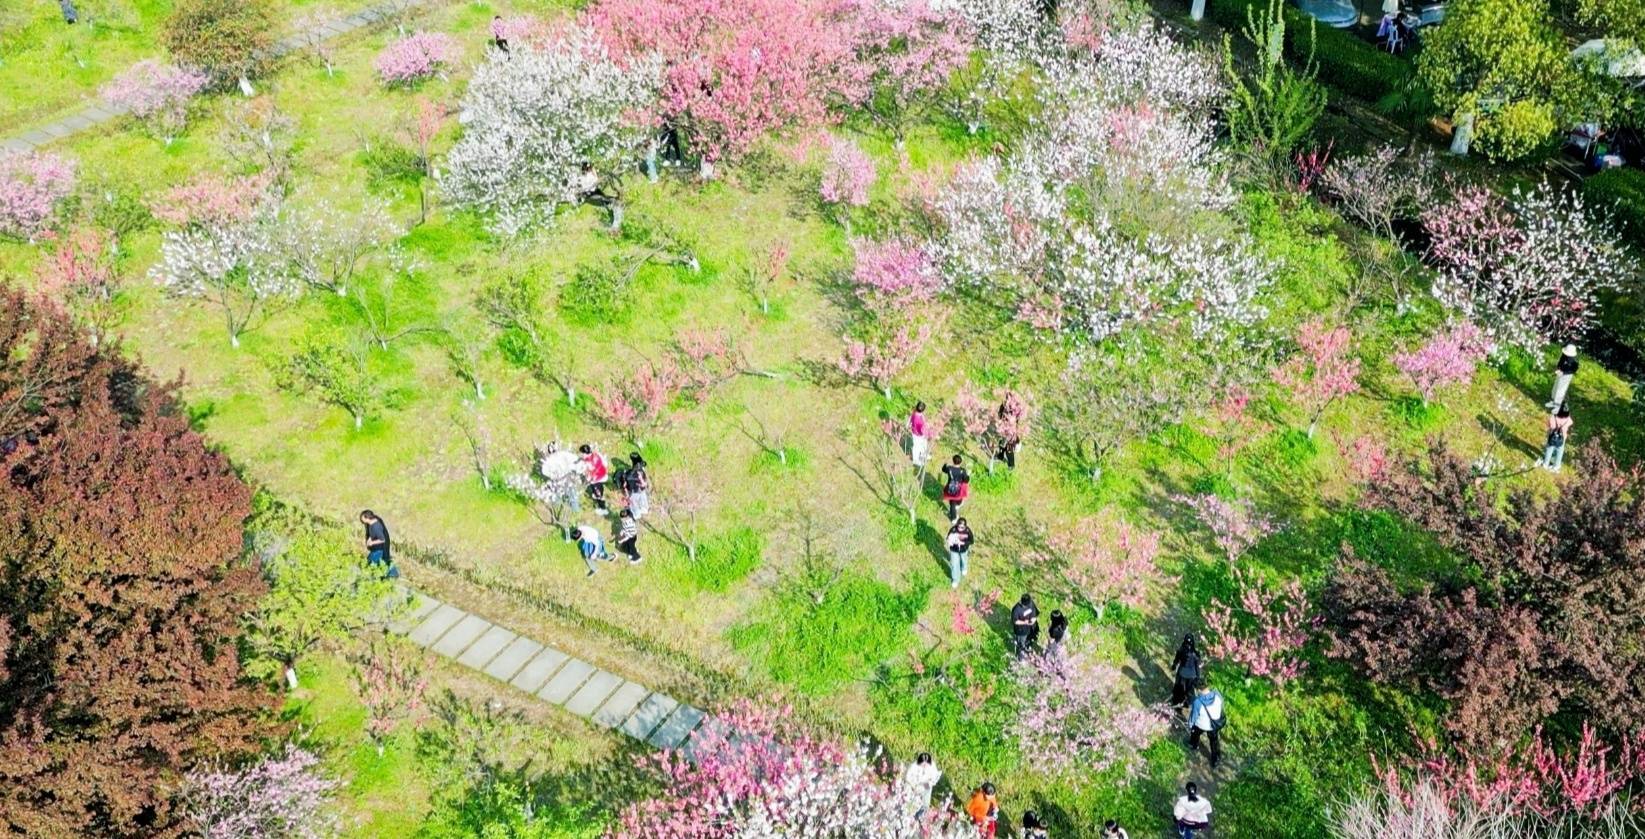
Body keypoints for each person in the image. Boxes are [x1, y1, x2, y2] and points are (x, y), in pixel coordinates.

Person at [1187, 679, 1226, 768]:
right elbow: (1222, 705)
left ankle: (1193, 745)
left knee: (1195, 732)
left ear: (1198, 690)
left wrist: (1190, 724)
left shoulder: (1198, 702)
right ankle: (1216, 759)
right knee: (1214, 741)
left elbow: (1194, 716)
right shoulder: (1217, 694)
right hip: (1214, 724)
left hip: (1201, 724)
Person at [901, 752, 942, 817]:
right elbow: (907, 776)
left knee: (927, 793)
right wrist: (913, 785)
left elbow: (934, 780)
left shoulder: (932, 767)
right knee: (907, 794)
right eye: (923, 764)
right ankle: (904, 805)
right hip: (913, 784)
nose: (924, 766)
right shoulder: (914, 765)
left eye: (926, 764)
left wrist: (926, 785)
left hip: (925, 785)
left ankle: (923, 809)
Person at [360, 510, 398, 579]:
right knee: (376, 560)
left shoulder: (376, 527)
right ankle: (385, 572)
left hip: (382, 546)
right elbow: (372, 533)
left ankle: (393, 573)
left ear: (367, 518)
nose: (361, 520)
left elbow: (382, 539)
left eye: (363, 518)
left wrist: (371, 542)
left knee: (383, 559)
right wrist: (369, 539)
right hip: (378, 546)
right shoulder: (372, 521)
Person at [1170, 634, 1202, 707]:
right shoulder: (1195, 654)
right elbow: (1197, 667)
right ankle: (1187, 703)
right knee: (1189, 690)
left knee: (1179, 688)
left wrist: (1174, 666)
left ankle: (1177, 702)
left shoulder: (1181, 650)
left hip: (1182, 673)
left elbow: (1176, 660)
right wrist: (1198, 677)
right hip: (1191, 674)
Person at [579, 444, 610, 514]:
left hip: (596, 479)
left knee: (598, 494)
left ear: (584, 453)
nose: (581, 455)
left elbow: (589, 475)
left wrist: (588, 478)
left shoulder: (588, 463)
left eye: (582, 453)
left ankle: (602, 508)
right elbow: (605, 463)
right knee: (599, 489)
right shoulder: (596, 454)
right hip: (603, 475)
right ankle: (600, 498)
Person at [1542, 402, 1573, 472]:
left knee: (1549, 449)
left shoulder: (1553, 418)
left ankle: (1545, 464)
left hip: (1552, 437)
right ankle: (1556, 466)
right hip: (1562, 438)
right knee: (1560, 451)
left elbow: (1550, 425)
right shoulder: (1568, 420)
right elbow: (1571, 422)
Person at [940, 454, 970, 521]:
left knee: (952, 502)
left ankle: (953, 518)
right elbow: (966, 480)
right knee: (958, 499)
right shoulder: (962, 470)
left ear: (953, 461)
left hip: (950, 488)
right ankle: (958, 504)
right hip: (959, 489)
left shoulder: (949, 469)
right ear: (961, 462)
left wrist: (945, 463)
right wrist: (968, 475)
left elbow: (943, 469)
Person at [946, 518, 974, 589]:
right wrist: (950, 541)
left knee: (963, 560)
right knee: (954, 564)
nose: (960, 528)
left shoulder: (967, 531)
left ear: (965, 527)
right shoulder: (953, 530)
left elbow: (971, 541)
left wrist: (963, 543)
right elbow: (948, 538)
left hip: (963, 550)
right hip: (954, 550)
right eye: (958, 526)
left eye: (962, 527)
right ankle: (955, 579)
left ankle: (964, 568)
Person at [1549, 345, 1578, 410]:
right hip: (1561, 371)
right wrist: (1558, 368)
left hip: (1567, 375)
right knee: (1556, 385)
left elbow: (1572, 371)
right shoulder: (1564, 355)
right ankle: (1553, 398)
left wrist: (1564, 373)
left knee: (1561, 389)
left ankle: (1557, 404)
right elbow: (1561, 361)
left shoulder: (1575, 362)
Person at [1011, 594, 1040, 659]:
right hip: (1020, 630)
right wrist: (1025, 622)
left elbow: (1035, 613)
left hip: (1029, 629)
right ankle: (1020, 655)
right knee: (1020, 643)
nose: (1028, 606)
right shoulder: (1016, 609)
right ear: (1022, 603)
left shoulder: (1031, 604)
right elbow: (1015, 621)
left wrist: (1033, 619)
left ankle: (1026, 647)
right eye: (1026, 606)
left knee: (1027, 640)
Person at [996, 400, 1022, 470]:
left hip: (1010, 433)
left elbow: (1017, 419)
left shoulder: (1015, 410)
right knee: (1001, 445)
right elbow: (1000, 412)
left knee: (1009, 450)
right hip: (1004, 429)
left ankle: (1011, 464)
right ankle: (1000, 456)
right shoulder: (1005, 405)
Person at [623, 452, 650, 519]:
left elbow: (625, 484)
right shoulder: (640, 473)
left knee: (634, 503)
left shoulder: (628, 474)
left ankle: (637, 513)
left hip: (634, 491)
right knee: (642, 500)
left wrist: (627, 494)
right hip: (639, 490)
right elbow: (644, 484)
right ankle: (642, 509)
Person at [910, 401, 931, 471]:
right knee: (917, 447)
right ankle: (916, 460)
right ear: (923, 410)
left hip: (917, 433)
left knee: (924, 445)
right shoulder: (919, 420)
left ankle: (923, 454)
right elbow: (922, 430)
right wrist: (927, 432)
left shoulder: (915, 413)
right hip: (918, 435)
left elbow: (910, 420)